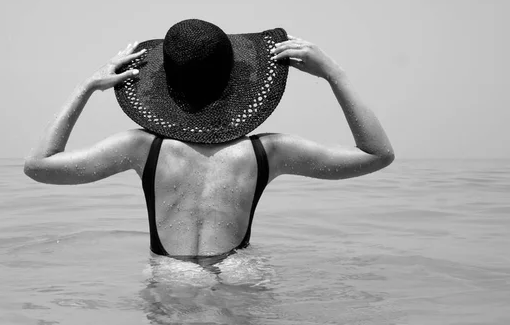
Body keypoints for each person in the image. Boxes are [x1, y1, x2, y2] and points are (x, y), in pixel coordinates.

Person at [24, 19, 394, 265]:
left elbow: (40, 166)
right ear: (236, 80)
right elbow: (377, 154)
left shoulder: (139, 148)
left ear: (164, 85)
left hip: (170, 279)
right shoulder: (269, 151)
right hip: (241, 275)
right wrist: (334, 74)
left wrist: (86, 86)